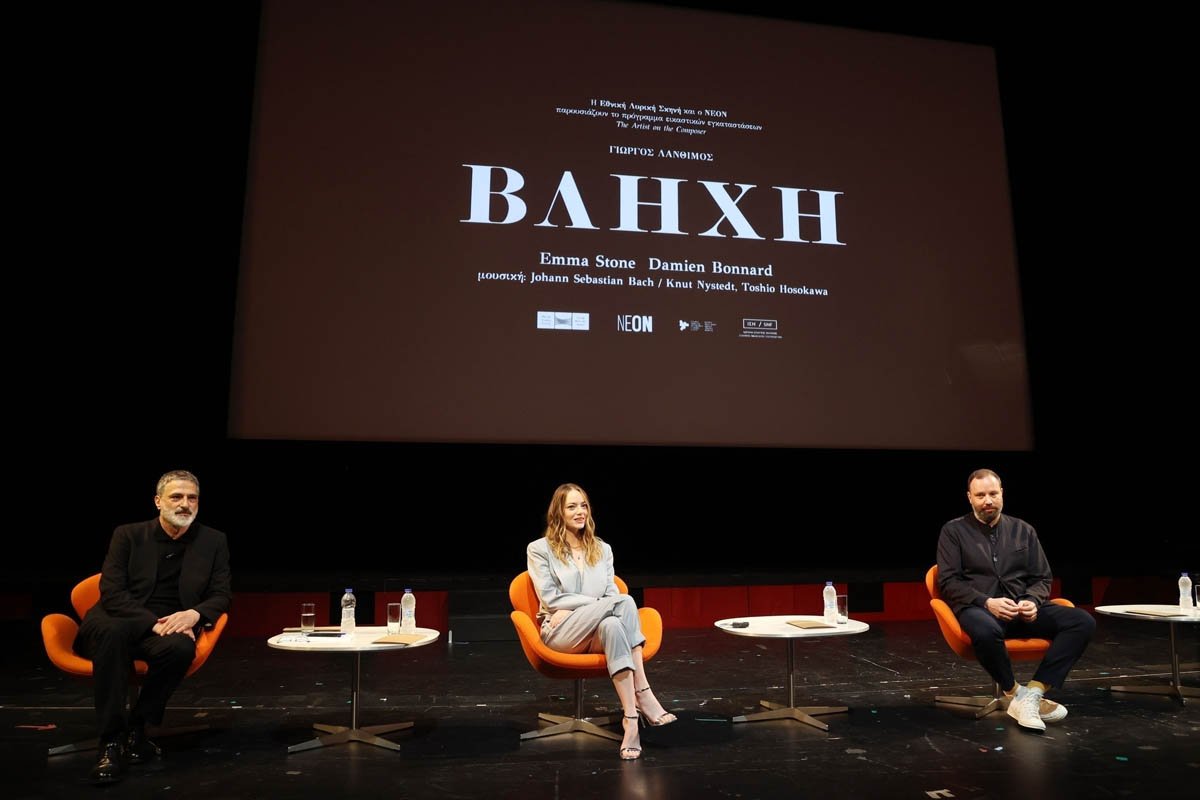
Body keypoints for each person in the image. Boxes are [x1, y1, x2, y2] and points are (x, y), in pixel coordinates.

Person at [73, 470, 232, 784]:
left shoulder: (213, 540)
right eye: (176, 496)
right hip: (116, 618)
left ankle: (137, 727)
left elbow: (221, 594)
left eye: (192, 498)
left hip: (169, 624)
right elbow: (112, 592)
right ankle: (110, 742)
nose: (185, 504)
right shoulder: (128, 535)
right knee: (113, 634)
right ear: (158, 501)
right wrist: (150, 624)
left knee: (182, 648)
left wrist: (194, 616)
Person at [936, 469, 1095, 732]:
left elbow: (1042, 577)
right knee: (984, 630)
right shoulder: (954, 531)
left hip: (1022, 610)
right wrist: (987, 602)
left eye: (993, 494)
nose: (988, 500)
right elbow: (949, 582)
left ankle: (1033, 693)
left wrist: (1033, 600)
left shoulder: (1024, 530)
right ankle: (1014, 693)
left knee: (1082, 622)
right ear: (970, 498)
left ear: (1002, 494)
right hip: (981, 609)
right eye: (980, 495)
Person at [526, 483, 676, 760]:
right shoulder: (539, 549)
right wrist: (595, 605)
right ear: (558, 511)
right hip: (561, 632)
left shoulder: (602, 549)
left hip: (597, 631)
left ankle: (631, 721)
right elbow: (550, 597)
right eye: (572, 506)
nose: (580, 511)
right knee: (625, 601)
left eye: (583, 505)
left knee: (613, 624)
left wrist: (589, 607)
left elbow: (609, 593)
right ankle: (644, 692)